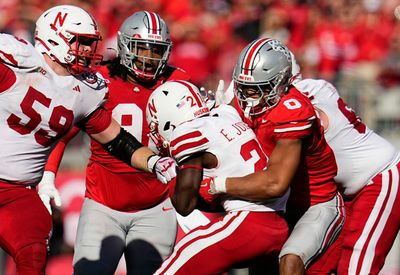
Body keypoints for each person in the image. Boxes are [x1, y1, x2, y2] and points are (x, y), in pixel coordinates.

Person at [0, 5, 175, 275]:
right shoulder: (16, 61)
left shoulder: (85, 90)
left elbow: (116, 139)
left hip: (18, 192)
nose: (87, 51)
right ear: (55, 37)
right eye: (81, 43)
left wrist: (153, 163)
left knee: (33, 254)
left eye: (90, 44)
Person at [40, 11, 191, 275]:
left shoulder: (179, 81)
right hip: (102, 206)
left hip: (156, 206)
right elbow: (64, 136)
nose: (148, 58)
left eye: (156, 51)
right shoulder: (98, 81)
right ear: (123, 45)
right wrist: (48, 175)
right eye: (141, 48)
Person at [207, 38, 345, 275]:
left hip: (314, 203)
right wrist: (214, 116)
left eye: (259, 88)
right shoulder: (241, 102)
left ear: (281, 82)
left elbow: (275, 184)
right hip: (273, 206)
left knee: (290, 262)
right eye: (244, 87)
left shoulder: (294, 110)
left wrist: (216, 185)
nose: (249, 96)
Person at [145, 80, 289, 274]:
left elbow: (184, 205)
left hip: (249, 222)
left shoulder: (187, 133)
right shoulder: (226, 114)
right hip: (278, 221)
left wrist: (171, 175)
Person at [291, 67, 400, 274]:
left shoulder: (301, 107)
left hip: (378, 176)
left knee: (356, 269)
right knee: (315, 268)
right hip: (344, 192)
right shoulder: (317, 87)